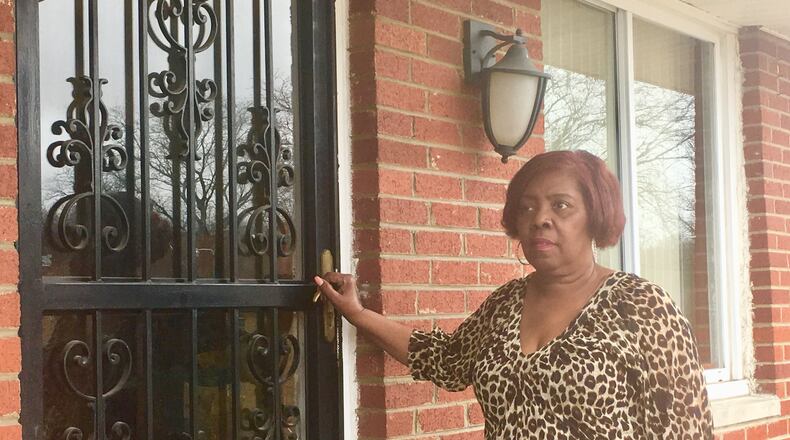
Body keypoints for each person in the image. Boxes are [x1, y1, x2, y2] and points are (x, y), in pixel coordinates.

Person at [314, 150, 713, 439]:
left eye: (561, 206)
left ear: (594, 216)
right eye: (527, 208)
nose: (540, 219)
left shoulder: (642, 307)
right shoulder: (506, 304)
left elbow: (685, 429)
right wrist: (358, 313)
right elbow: (445, 361)